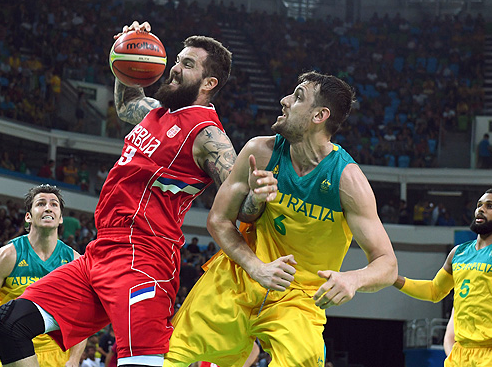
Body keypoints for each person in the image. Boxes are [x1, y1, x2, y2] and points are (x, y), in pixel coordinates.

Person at [0, 21, 276, 367]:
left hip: (144, 258)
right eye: (177, 60)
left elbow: (240, 209)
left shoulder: (208, 136)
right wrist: (127, 48)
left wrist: (259, 194)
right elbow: (126, 105)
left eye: (187, 64)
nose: (175, 67)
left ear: (209, 83)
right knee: (7, 324)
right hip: (101, 251)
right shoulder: (155, 111)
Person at [164, 71, 398, 366]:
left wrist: (353, 279)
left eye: (298, 96)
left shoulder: (347, 181)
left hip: (297, 299)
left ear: (320, 115)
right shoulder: (259, 152)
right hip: (238, 276)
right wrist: (256, 267)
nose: (284, 100)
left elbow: (387, 264)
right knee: (168, 355)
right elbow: (219, 220)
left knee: (304, 360)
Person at [393, 188, 492, 367]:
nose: (481, 209)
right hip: (461, 354)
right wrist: (394, 279)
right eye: (479, 205)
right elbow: (434, 291)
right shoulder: (458, 252)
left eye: (489, 206)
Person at [0, 184, 86, 367]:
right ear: (28, 216)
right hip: (12, 356)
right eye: (41, 203)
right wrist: (4, 333)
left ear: (61, 218)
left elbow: (81, 317)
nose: (48, 207)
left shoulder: (73, 261)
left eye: (54, 204)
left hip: (56, 357)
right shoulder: (9, 255)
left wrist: (74, 360)